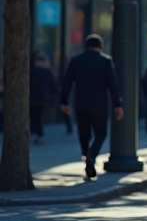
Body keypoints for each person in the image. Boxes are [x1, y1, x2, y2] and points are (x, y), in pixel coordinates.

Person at [59, 34, 124, 179]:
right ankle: (92, 155)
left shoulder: (76, 61)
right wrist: (117, 105)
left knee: (84, 134)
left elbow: (67, 83)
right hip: (100, 104)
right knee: (101, 133)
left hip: (81, 104)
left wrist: (64, 102)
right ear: (100, 46)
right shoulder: (105, 61)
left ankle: (86, 154)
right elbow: (112, 84)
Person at [29, 52, 57, 145]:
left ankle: (36, 133)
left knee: (34, 116)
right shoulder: (46, 71)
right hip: (42, 98)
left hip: (31, 98)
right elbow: (54, 86)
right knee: (37, 116)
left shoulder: (30, 71)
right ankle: (38, 134)